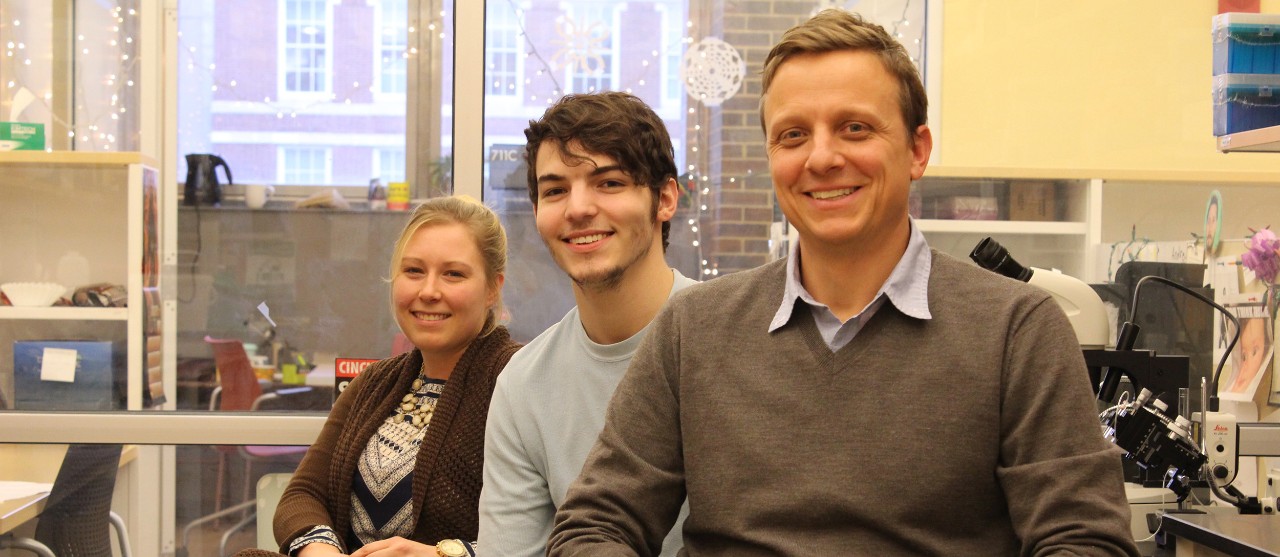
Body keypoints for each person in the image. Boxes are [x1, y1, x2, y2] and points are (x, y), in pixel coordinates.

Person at [548, 10, 1140, 556]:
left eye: (854, 128)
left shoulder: (1018, 331)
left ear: (917, 149)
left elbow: (1087, 541)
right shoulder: (693, 331)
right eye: (793, 135)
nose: (822, 157)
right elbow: (595, 524)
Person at [475, 91, 696, 557]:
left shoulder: (737, 342)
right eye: (555, 190)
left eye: (609, 183)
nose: (577, 208)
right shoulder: (523, 385)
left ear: (666, 199)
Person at [237, 195, 522, 557]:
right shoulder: (374, 382)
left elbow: (553, 530)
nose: (428, 291)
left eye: (453, 274)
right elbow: (304, 494)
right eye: (414, 271)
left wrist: (441, 555)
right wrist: (319, 548)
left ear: (492, 287)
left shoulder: (520, 382)